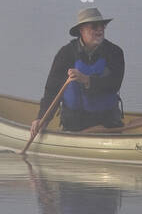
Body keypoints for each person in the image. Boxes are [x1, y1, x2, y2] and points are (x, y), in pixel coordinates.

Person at [30, 7, 125, 136]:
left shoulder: (115, 52)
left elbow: (114, 84)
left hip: (108, 123)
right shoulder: (65, 54)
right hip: (75, 124)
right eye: (94, 26)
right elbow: (52, 91)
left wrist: (87, 80)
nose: (100, 29)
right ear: (81, 30)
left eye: (102, 25)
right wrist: (42, 119)